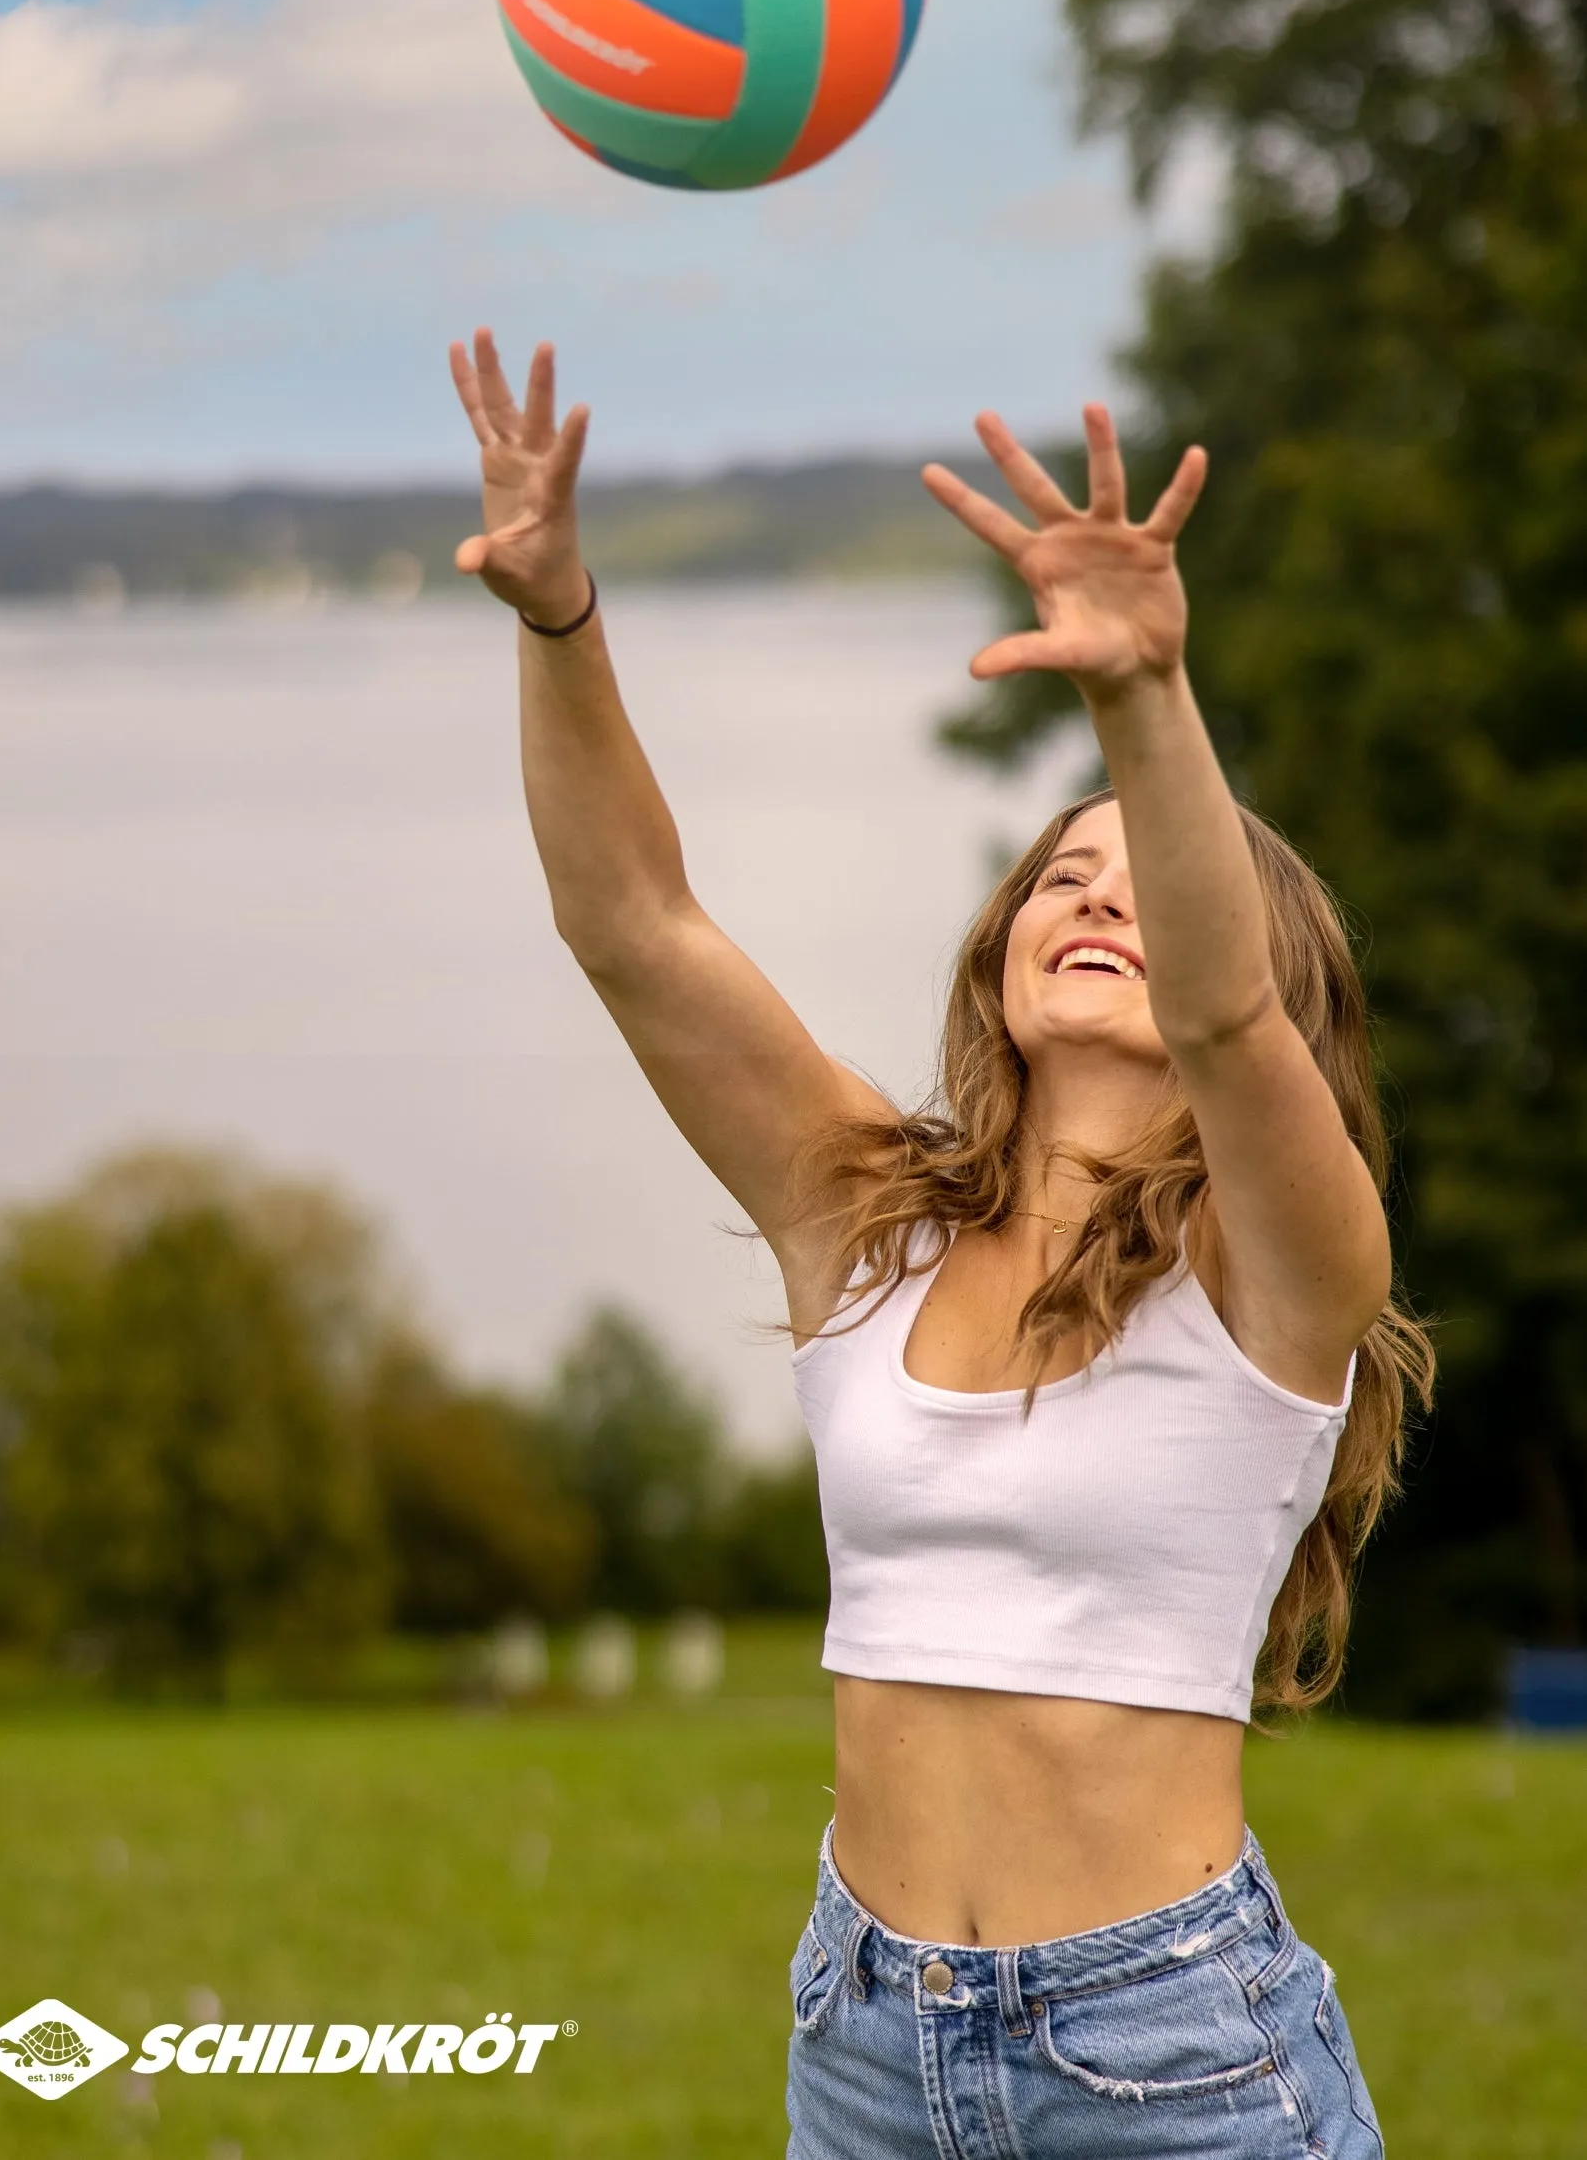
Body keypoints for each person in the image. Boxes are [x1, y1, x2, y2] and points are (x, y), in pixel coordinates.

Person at [448, 327, 1433, 2159]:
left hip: (1174, 2054)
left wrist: (1143, 697)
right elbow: (636, 927)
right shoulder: (870, 1228)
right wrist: (559, 621)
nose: (1091, 893)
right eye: (1063, 872)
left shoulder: (1284, 1278)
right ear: (1000, 944)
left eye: (1144, 877)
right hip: (869, 2036)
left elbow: (1228, 1031)